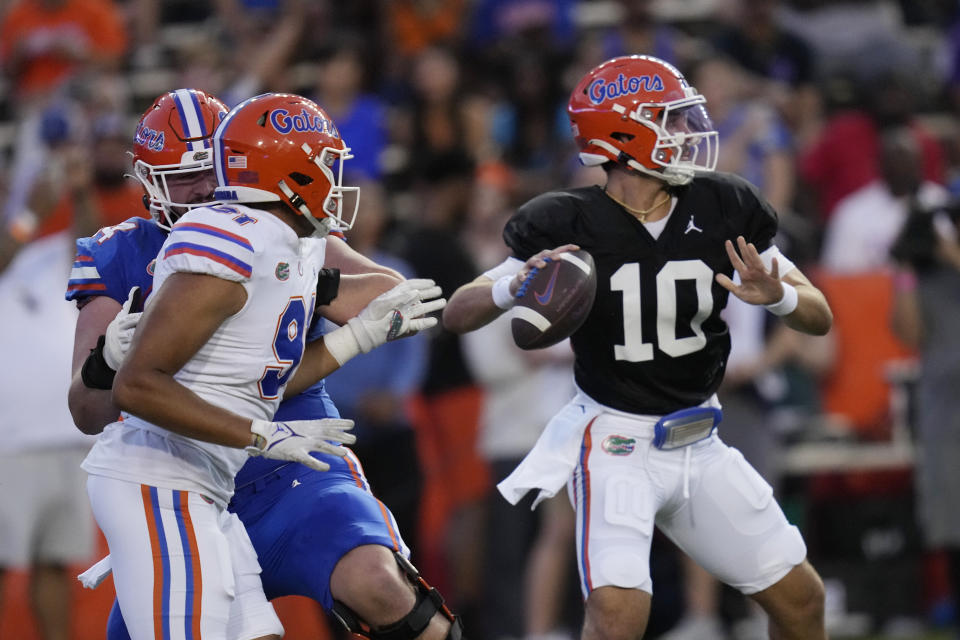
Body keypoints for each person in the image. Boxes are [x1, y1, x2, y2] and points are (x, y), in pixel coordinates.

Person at [442, 55, 833, 640]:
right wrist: (511, 285)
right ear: (624, 135)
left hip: (702, 441)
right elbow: (457, 312)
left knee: (802, 599)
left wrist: (777, 295)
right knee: (619, 618)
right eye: (669, 121)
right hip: (616, 441)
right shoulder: (566, 220)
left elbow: (819, 316)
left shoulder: (723, 205)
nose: (686, 134)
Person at [68, 90, 450, 639]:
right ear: (148, 179)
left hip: (289, 466)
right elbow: (91, 406)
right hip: (178, 471)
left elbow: (397, 298)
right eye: (181, 177)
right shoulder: (127, 252)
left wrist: (297, 281)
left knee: (383, 588)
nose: (201, 190)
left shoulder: (281, 232)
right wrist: (106, 362)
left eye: (210, 170)